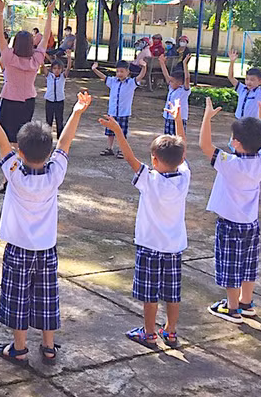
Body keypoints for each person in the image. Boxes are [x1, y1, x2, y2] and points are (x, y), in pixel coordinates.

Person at [0, 91, 91, 366]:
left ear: (21, 151)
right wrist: (76, 111)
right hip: (46, 249)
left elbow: (2, 144)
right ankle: (49, 347)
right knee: (47, 296)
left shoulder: (15, 174)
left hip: (18, 249)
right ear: (48, 153)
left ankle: (19, 348)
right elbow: (65, 142)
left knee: (18, 298)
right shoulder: (55, 174)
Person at [100, 102, 189, 348]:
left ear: (154, 159)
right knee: (172, 292)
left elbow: (130, 158)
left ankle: (149, 332)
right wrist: (178, 119)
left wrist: (117, 131)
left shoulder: (149, 179)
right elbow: (182, 148)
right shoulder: (184, 177)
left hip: (149, 246)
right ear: (181, 158)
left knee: (149, 293)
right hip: (173, 247)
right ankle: (170, 331)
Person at [199, 96, 261, 323]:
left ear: (238, 143)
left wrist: (207, 117)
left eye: (233, 138)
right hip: (251, 223)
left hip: (230, 224)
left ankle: (231, 308)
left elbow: (205, 145)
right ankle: (246, 302)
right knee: (248, 264)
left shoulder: (231, 164)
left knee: (230, 266)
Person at [0, 0, 51, 190]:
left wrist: (0, 12)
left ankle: (7, 178)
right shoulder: (36, 59)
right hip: (27, 102)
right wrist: (49, 14)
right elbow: (47, 35)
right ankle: (18, 177)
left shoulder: (9, 57)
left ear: (15, 43)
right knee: (20, 142)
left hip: (9, 101)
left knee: (5, 142)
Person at [91, 59, 147, 158]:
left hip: (123, 112)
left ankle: (122, 150)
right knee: (110, 132)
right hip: (112, 112)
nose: (119, 73)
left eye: (122, 71)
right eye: (117, 71)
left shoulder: (131, 83)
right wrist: (94, 69)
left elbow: (140, 76)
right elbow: (104, 77)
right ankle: (110, 148)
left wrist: (144, 67)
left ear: (127, 72)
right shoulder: (113, 81)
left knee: (122, 133)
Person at [227, 51, 261, 122]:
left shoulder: (260, 91)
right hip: (239, 120)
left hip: (252, 122)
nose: (249, 82)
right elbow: (230, 77)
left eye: (252, 80)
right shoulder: (242, 88)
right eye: (247, 79)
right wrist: (232, 62)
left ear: (260, 81)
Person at [158, 54, 192, 135]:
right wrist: (162, 63)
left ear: (180, 83)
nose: (170, 82)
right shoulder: (172, 88)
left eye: (172, 81)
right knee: (167, 137)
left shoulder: (184, 90)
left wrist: (185, 64)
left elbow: (187, 78)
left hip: (178, 119)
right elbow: (166, 75)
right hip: (168, 117)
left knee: (177, 138)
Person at [42, 58, 67, 138]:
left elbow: (69, 68)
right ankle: (47, 138)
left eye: (59, 69)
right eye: (55, 68)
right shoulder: (49, 76)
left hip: (59, 101)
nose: (57, 70)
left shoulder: (62, 77)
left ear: (62, 69)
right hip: (49, 101)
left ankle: (60, 139)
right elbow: (42, 66)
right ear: (52, 69)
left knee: (59, 121)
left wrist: (69, 58)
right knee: (48, 120)